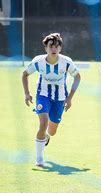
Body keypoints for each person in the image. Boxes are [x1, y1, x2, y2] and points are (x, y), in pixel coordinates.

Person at [22, 33, 81, 166]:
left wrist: (70, 98)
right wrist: (27, 93)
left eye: (56, 46)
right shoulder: (38, 61)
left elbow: (77, 77)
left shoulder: (66, 62)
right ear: (46, 48)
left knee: (52, 131)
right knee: (43, 123)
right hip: (42, 95)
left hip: (60, 97)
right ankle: (39, 159)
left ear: (60, 48)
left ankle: (46, 136)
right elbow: (25, 74)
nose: (53, 49)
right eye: (50, 46)